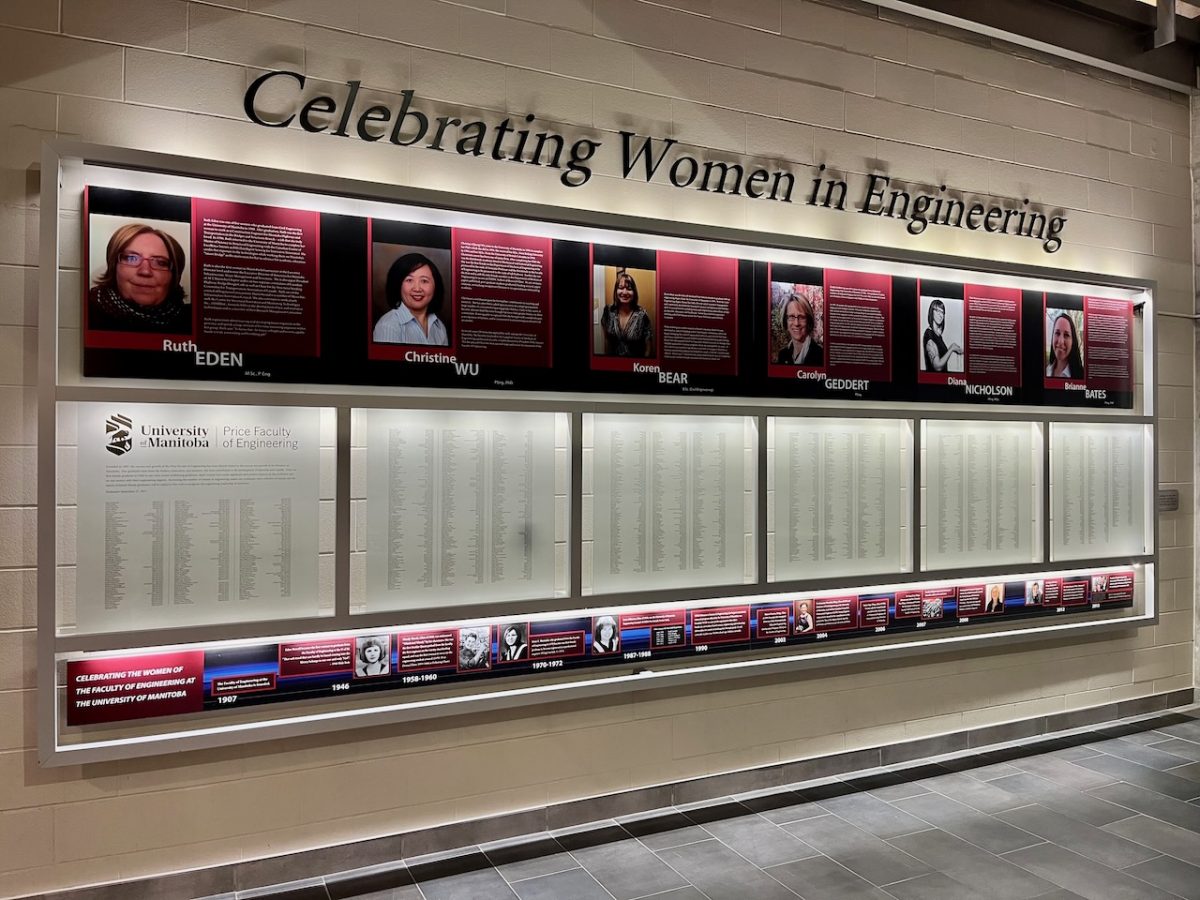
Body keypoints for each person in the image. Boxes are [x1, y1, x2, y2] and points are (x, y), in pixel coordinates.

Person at [88, 222, 190, 333]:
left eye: (160, 262)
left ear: (175, 276)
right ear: (113, 266)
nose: (145, 271)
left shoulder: (193, 322)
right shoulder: (83, 311)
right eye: (131, 258)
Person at [373, 252, 449, 346]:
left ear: (435, 286)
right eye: (409, 280)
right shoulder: (388, 326)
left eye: (424, 281)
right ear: (398, 285)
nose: (417, 289)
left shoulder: (439, 327)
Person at [599, 269, 653, 357]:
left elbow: (648, 348)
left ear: (634, 292)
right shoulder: (608, 311)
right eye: (620, 288)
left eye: (629, 289)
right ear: (616, 291)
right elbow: (606, 340)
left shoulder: (642, 315)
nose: (624, 292)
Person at [776, 295, 824, 366]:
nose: (796, 323)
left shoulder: (821, 355)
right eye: (791, 317)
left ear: (809, 321)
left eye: (801, 317)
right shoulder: (782, 355)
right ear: (785, 321)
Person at [922, 298, 962, 372]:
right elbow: (937, 367)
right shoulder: (929, 335)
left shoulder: (938, 335)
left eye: (942, 312)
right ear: (931, 312)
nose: (940, 315)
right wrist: (951, 348)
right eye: (937, 311)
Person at [1046, 312, 1084, 378]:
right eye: (1057, 333)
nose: (1060, 341)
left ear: (1073, 342)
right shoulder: (1046, 370)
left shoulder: (1082, 375)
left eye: (1066, 335)